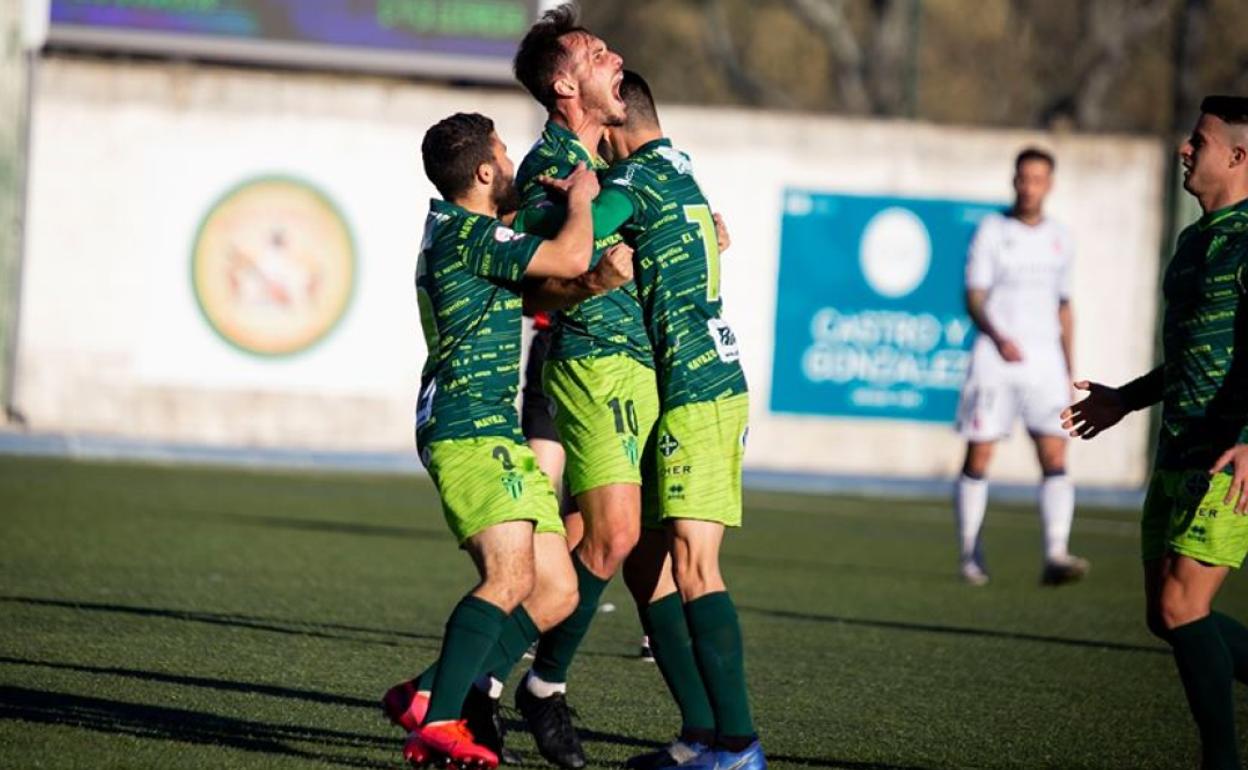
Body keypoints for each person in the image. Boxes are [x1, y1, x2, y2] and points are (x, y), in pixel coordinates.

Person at [390, 112, 632, 768]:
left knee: (555, 590)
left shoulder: (461, 230)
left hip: (495, 430)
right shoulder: (471, 234)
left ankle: (424, 694)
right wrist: (584, 200)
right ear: (484, 172)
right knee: (510, 575)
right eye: (504, 151)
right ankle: (441, 722)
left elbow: (543, 287)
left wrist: (592, 280)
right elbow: (570, 256)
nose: (515, 161)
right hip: (467, 427)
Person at [1062, 95, 1248, 770]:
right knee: (1162, 615)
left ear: (1237, 155)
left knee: (1180, 608)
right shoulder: (1195, 239)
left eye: (1197, 141)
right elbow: (1197, 351)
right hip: (1178, 450)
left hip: (1229, 456)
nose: (1183, 150)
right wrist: (1127, 399)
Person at [599, 70, 765, 770]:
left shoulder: (633, 182)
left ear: (611, 129)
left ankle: (739, 746)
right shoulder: (679, 168)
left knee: (695, 565)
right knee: (650, 565)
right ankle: (700, 735)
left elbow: (569, 238)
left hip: (700, 389)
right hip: (697, 382)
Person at [504, 6, 656, 768]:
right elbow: (542, 283)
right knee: (609, 538)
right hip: (582, 364)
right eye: (597, 53)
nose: (615, 57)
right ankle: (523, 682)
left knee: (610, 541)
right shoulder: (549, 171)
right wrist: (593, 257)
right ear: (565, 84)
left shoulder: (604, 167)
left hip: (631, 367)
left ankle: (505, 679)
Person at [953, 147, 1089, 587]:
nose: (1029, 187)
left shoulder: (1060, 238)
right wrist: (998, 336)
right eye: (1023, 178)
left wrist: (1069, 369)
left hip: (1044, 363)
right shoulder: (992, 231)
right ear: (1014, 182)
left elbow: (1065, 307)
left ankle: (1055, 552)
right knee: (981, 453)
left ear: (1049, 184)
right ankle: (971, 553)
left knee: (1054, 452)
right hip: (996, 359)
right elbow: (974, 295)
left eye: (1038, 179)